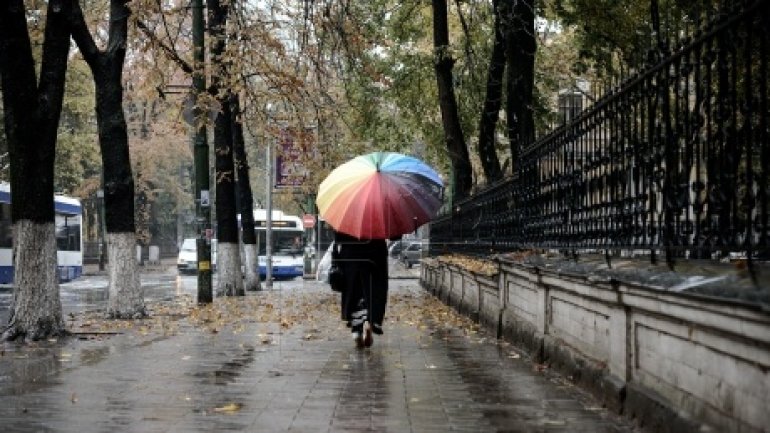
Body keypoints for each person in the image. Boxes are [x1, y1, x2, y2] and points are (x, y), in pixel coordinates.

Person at [333, 230, 388, 348]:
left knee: (354, 294)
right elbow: (395, 236)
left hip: (351, 258)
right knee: (373, 292)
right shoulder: (379, 215)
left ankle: (356, 331)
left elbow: (338, 239)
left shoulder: (348, 215)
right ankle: (371, 320)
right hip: (375, 257)